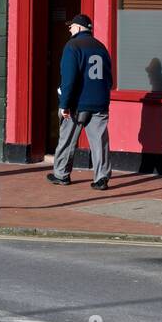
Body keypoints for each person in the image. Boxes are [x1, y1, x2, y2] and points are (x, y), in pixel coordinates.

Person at [46, 14, 114, 190]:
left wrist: (64, 104)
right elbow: (109, 78)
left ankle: (61, 174)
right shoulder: (101, 47)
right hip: (99, 102)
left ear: (78, 27)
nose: (69, 29)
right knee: (100, 142)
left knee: (67, 139)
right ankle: (102, 177)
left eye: (71, 26)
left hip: (77, 104)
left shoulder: (72, 46)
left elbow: (69, 79)